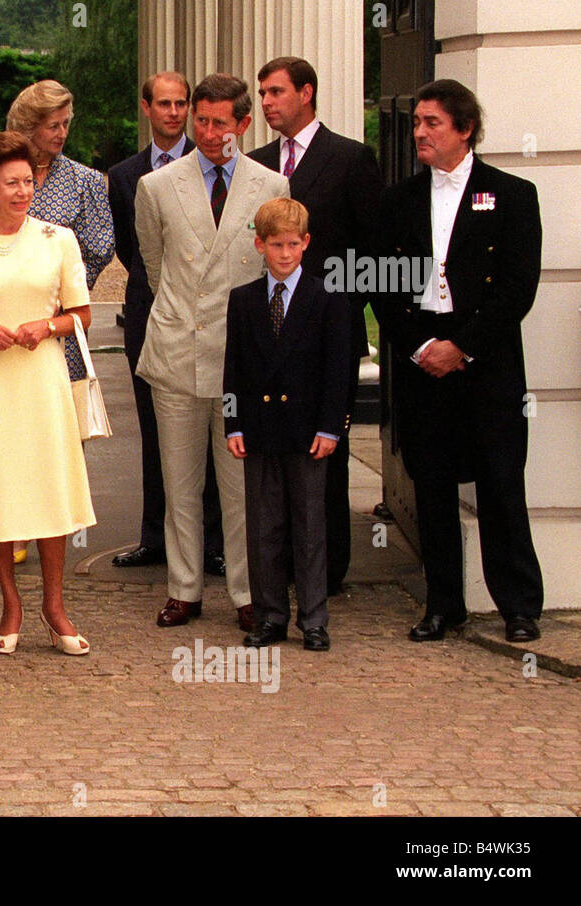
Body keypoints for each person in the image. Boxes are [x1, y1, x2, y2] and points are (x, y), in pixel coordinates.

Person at [376, 79, 545, 643]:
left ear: (465, 129)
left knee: (500, 482)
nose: (419, 132)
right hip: (423, 356)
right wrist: (421, 346)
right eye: (418, 122)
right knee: (432, 486)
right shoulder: (399, 201)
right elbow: (383, 284)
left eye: (432, 123)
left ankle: (518, 606)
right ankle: (444, 604)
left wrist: (463, 346)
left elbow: (517, 290)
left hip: (487, 359)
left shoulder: (513, 194)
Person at [134, 73, 288, 633]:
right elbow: (154, 265)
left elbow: (275, 268)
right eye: (201, 120)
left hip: (242, 362)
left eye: (220, 121)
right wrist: (180, 313)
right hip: (176, 351)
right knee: (179, 485)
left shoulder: (271, 187)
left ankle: (248, 593)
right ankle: (184, 589)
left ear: (244, 123)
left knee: (242, 489)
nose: (208, 131)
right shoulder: (157, 185)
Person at [0, 131, 96, 656]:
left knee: (48, 488)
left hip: (41, 377)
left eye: (29, 181)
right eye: (12, 182)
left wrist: (47, 327)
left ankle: (55, 606)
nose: (24, 191)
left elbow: (83, 315)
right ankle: (10, 602)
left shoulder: (59, 238)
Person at [0, 79, 114, 564]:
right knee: (4, 448)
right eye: (53, 124)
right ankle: (13, 527)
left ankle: (47, 524)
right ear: (27, 128)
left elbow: (100, 245)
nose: (63, 132)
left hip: (56, 331)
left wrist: (54, 294)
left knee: (51, 449)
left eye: (67, 123)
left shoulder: (85, 180)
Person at [251, 56, 384, 596]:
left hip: (330, 335)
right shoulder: (256, 164)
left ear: (307, 92)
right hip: (269, 337)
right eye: (261, 94)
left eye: (276, 92)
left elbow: (370, 250)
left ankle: (327, 574)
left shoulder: (352, 159)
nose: (266, 103)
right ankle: (274, 569)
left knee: (327, 449)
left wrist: (339, 313)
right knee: (272, 453)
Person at [108, 71, 226, 576]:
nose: (174, 113)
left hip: (212, 317)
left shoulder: (218, 168)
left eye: (182, 104)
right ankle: (155, 536)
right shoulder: (125, 176)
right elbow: (130, 249)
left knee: (215, 427)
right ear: (147, 107)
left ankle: (214, 542)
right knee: (158, 428)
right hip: (151, 314)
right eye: (165, 104)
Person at [223, 197, 350, 651]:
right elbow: (233, 369)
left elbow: (339, 371)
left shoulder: (327, 298)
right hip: (259, 430)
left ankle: (314, 619)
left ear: (306, 244)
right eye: (275, 244)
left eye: (293, 244)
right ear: (259, 245)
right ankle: (270, 615)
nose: (284, 253)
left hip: (308, 431)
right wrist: (233, 424)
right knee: (263, 528)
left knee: (310, 527)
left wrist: (331, 427)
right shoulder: (243, 300)